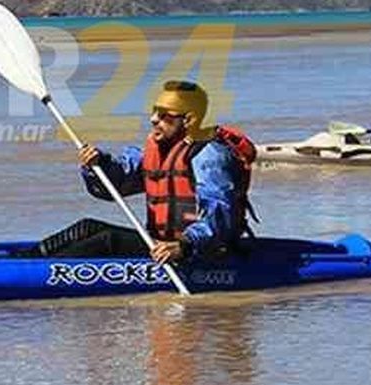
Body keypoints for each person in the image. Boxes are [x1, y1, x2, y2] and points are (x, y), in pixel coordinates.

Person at [75, 80, 256, 265]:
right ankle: (43, 260)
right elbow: (115, 185)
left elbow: (219, 214)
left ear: (189, 120)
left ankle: (45, 274)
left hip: (201, 252)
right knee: (86, 228)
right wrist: (97, 165)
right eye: (154, 111)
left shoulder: (210, 156)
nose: (153, 119)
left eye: (163, 115)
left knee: (108, 239)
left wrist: (185, 244)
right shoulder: (159, 150)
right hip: (162, 248)